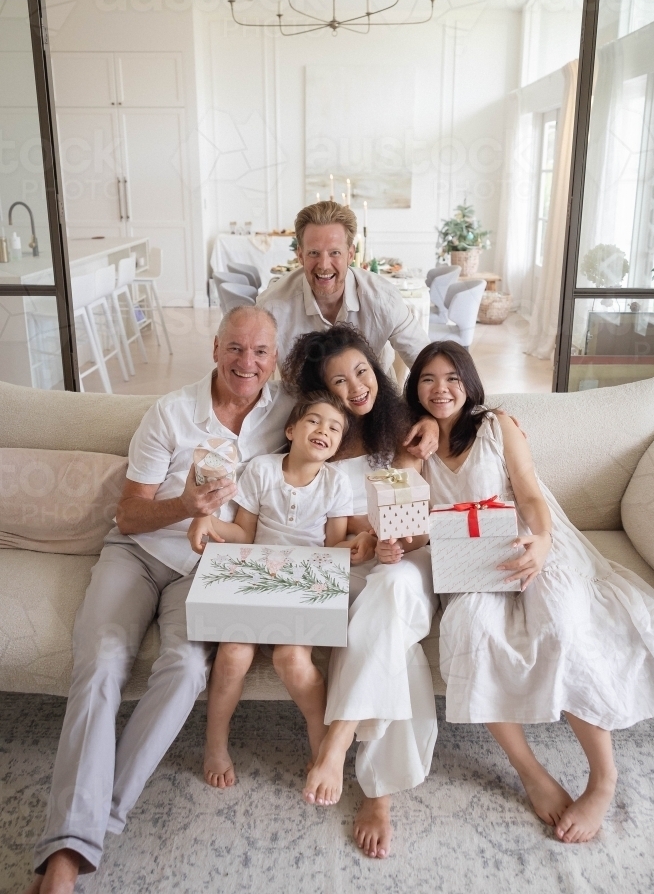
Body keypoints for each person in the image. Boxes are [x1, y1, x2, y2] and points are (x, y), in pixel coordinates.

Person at [25, 306, 297, 894]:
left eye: (260, 353)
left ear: (274, 359)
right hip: (138, 551)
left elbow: (347, 419)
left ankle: (86, 826)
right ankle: (69, 857)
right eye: (235, 348)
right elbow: (128, 512)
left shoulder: (284, 413)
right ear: (215, 347)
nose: (246, 363)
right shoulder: (171, 413)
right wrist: (186, 506)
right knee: (99, 663)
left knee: (182, 670)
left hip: (207, 568)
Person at [409, 340, 654, 843]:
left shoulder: (496, 425)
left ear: (469, 383)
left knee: (562, 623)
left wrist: (543, 543)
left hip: (530, 537)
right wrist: (408, 454)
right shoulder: (412, 442)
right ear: (414, 387)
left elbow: (528, 491)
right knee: (468, 632)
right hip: (466, 560)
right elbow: (411, 520)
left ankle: (603, 777)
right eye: (428, 380)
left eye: (452, 379)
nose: (441, 390)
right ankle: (531, 772)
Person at [281, 324, 438, 859]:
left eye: (363, 371)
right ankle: (379, 794)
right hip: (353, 568)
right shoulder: (322, 439)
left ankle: (338, 741)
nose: (357, 388)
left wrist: (395, 540)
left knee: (391, 588)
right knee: (383, 630)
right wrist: (368, 541)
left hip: (406, 568)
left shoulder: (405, 432)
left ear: (378, 368)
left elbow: (415, 531)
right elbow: (336, 534)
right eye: (340, 382)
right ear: (324, 392)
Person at [189, 390, 360, 789]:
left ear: (336, 446)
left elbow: (334, 547)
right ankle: (216, 743)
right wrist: (209, 522)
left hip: (302, 585)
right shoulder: (263, 469)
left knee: (293, 662)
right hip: (255, 579)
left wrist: (357, 545)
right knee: (231, 655)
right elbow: (242, 533)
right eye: (315, 421)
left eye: (335, 428)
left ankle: (320, 742)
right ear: (292, 429)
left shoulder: (336, 482)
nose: (324, 430)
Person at [256, 200, 430, 372]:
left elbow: (427, 364)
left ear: (351, 255)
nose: (324, 265)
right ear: (300, 256)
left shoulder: (384, 298)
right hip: (303, 398)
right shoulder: (271, 307)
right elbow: (251, 372)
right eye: (314, 253)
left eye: (335, 253)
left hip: (375, 395)